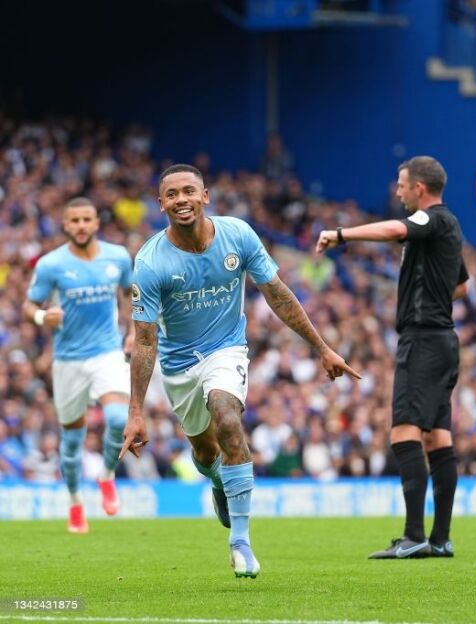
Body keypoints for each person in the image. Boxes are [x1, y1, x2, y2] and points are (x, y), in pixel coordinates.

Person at [120, 164, 360, 578]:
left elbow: (277, 294)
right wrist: (136, 412)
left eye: (189, 191)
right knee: (205, 452)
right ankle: (219, 482)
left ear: (205, 196)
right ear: (160, 204)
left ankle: (241, 542)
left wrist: (322, 348)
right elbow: (144, 341)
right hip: (178, 365)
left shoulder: (238, 235)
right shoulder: (150, 262)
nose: (181, 200)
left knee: (227, 416)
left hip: (226, 349)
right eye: (172, 194)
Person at [316, 156, 469, 559]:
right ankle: (441, 538)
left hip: (422, 340)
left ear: (419, 188)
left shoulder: (430, 219)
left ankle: (413, 534)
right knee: (437, 436)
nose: (397, 191)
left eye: (401, 185)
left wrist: (341, 234)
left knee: (403, 432)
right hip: (444, 340)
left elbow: (395, 229)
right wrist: (431, 292)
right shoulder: (449, 228)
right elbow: (463, 287)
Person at [24, 197, 134, 534]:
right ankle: (74, 502)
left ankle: (106, 476)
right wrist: (42, 316)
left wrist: (132, 331)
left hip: (107, 353)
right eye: (75, 220)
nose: (82, 225)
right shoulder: (51, 265)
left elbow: (130, 294)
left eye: (87, 219)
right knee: (72, 442)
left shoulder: (118, 257)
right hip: (68, 361)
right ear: (66, 225)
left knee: (118, 419)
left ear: (96, 223)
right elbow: (30, 305)